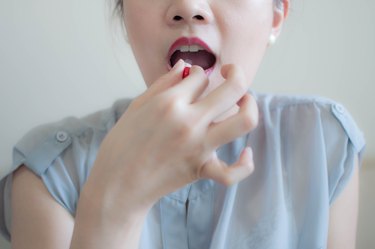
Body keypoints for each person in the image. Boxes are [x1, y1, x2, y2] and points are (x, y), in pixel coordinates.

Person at [0, 0, 365, 248]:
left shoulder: (325, 144)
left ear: (275, 17)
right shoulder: (48, 175)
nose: (188, 6)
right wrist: (116, 203)